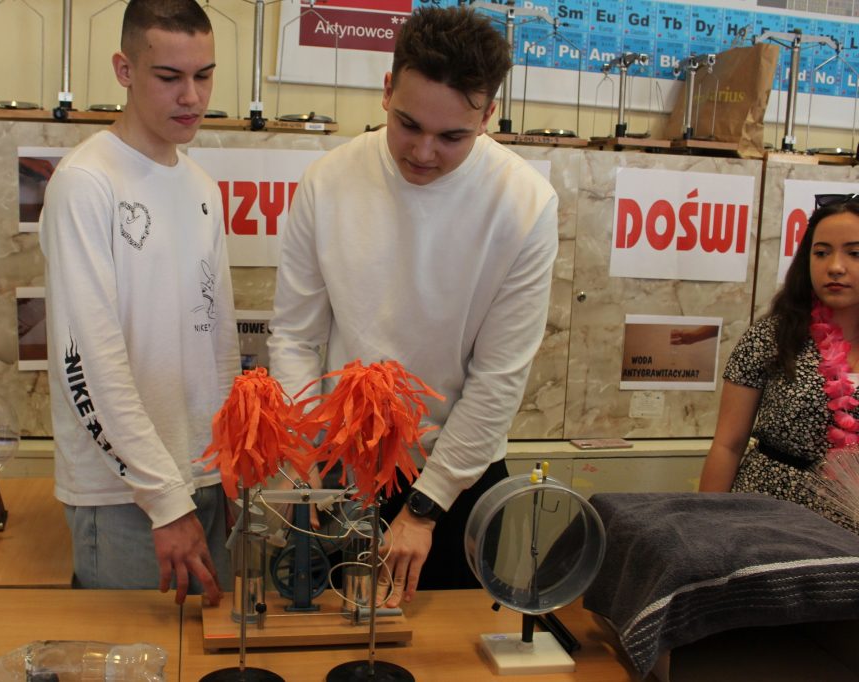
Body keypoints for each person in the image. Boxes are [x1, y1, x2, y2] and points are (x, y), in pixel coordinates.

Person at [268, 6, 559, 606]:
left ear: (487, 116)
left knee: (442, 643)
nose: (424, 152)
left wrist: (425, 508)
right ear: (386, 91)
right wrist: (302, 452)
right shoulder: (328, 182)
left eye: (452, 137)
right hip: (342, 467)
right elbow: (295, 336)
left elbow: (498, 377)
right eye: (408, 125)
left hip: (457, 477)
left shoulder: (525, 205)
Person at [40, 0, 240, 603]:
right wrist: (164, 500)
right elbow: (89, 362)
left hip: (204, 480)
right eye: (169, 77)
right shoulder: (86, 182)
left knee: (210, 649)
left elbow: (218, 342)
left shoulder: (202, 186)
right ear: (124, 70)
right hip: (124, 496)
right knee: (133, 653)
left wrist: (231, 465)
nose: (192, 97)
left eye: (204, 75)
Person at [699, 194, 859, 533]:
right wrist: (705, 526)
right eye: (821, 252)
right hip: (768, 516)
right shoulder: (772, 336)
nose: (835, 266)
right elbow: (728, 445)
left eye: (854, 253)